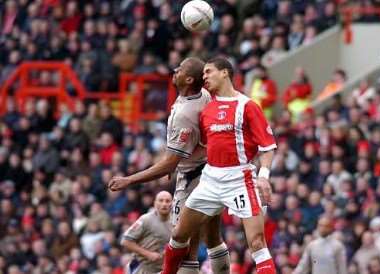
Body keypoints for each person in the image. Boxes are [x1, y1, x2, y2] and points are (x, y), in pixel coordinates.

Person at [108, 57, 230, 274]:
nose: (175, 70)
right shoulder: (201, 95)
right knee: (211, 235)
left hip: (194, 175)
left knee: (182, 242)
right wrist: (174, 160)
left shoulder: (185, 113)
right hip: (209, 169)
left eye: (180, 69)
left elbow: (168, 164)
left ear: (189, 79)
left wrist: (129, 180)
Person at [161, 57, 277, 274]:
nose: (204, 77)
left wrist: (263, 176)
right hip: (210, 179)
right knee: (178, 235)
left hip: (240, 179)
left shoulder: (247, 106)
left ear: (225, 73)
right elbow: (205, 145)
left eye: (208, 72)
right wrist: (174, 161)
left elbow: (268, 146)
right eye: (203, 73)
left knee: (257, 243)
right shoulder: (207, 109)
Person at [121, 191, 173, 274]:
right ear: (155, 203)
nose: (164, 204)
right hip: (141, 267)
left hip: (161, 270)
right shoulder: (146, 219)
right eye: (161, 200)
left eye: (167, 201)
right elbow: (125, 241)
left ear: (172, 203)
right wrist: (148, 254)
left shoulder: (175, 222)